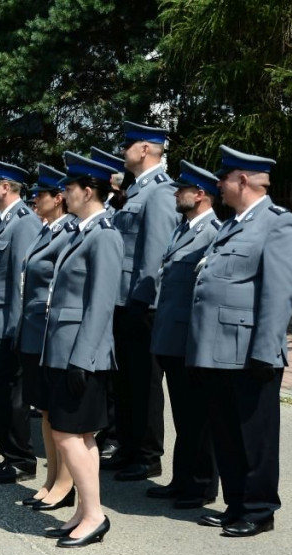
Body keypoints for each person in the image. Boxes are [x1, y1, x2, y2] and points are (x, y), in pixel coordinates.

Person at [187, 145, 292, 537]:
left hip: (250, 351)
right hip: (217, 350)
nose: (217, 185)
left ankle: (258, 509)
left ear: (241, 180)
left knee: (255, 437)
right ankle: (235, 504)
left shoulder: (278, 224)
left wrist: (266, 352)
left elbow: (279, 292)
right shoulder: (234, 223)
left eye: (222, 178)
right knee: (226, 433)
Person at [41, 151, 124, 547]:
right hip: (63, 348)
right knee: (80, 436)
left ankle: (94, 515)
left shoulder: (104, 235)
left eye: (69, 189)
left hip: (79, 351)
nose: (64, 195)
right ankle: (84, 512)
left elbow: (101, 303)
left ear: (88, 191)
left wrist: (82, 358)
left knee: (68, 435)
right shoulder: (81, 231)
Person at [147, 160, 221, 509]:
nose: (177, 194)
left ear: (201, 194)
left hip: (189, 342)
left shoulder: (211, 233)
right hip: (171, 340)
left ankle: (203, 485)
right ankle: (182, 479)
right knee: (183, 416)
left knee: (198, 417)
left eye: (183, 189)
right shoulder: (183, 228)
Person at [108, 122, 179, 482]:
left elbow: (154, 253)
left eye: (128, 144)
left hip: (142, 303)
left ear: (146, 149)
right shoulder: (137, 190)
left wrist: (142, 299)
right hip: (122, 301)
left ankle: (148, 454)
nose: (123, 151)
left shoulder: (160, 192)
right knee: (125, 381)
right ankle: (128, 446)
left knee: (145, 383)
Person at [14, 164, 75, 509]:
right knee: (47, 411)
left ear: (59, 198)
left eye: (42, 194)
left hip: (51, 331)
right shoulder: (46, 230)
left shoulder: (67, 232)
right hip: (34, 329)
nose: (35, 199)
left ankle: (65, 484)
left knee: (58, 413)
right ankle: (53, 478)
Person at [0, 158, 41, 484]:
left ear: (5, 187)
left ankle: (21, 460)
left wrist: (17, 328)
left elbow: (22, 281)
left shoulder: (23, 222)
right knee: (1, 395)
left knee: (13, 397)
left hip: (9, 326)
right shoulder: (4, 222)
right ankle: (9, 455)